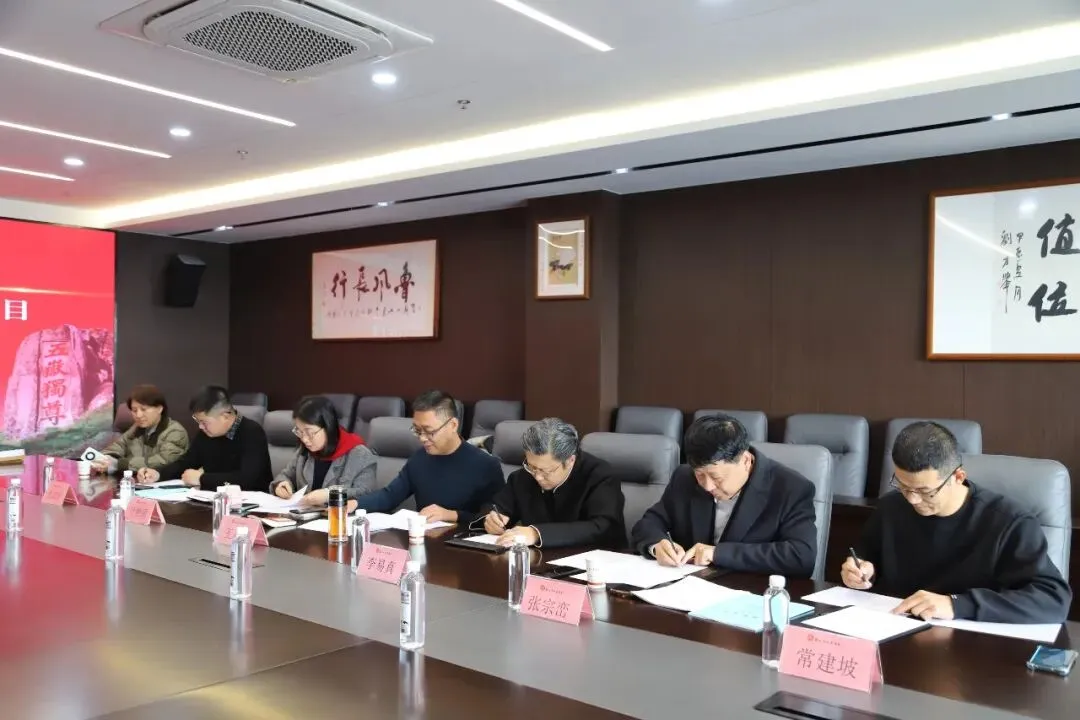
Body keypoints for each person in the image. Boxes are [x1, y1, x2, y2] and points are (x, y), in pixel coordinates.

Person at [842, 421, 1071, 623]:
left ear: (958, 477)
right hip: (892, 627)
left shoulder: (1008, 522)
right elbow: (867, 558)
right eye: (902, 485)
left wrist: (956, 604)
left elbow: (1053, 599)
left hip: (970, 642)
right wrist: (862, 572)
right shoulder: (891, 507)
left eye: (925, 491)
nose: (912, 499)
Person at [631, 414, 817, 577]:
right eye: (700, 474)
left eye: (716, 477)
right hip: (690, 588)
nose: (707, 486)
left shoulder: (791, 488)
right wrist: (657, 545)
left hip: (751, 592)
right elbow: (648, 523)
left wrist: (718, 554)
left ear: (745, 460)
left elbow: (801, 556)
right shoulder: (684, 477)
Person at [464, 418, 625, 548]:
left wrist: (536, 533)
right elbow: (496, 506)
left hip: (591, 563)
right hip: (539, 562)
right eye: (531, 466)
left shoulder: (600, 476)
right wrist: (491, 520)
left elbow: (603, 527)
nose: (537, 477)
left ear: (570, 460)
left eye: (546, 471)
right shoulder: (524, 476)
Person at [351, 390, 503, 522]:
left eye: (429, 432)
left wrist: (453, 515)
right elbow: (389, 496)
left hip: (465, 541)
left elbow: (497, 518)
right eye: (417, 431)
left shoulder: (486, 466)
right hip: (423, 539)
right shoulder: (419, 459)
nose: (422, 438)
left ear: (453, 425)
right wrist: (354, 504)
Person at [137, 386, 272, 491]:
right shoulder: (207, 433)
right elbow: (186, 462)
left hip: (252, 504)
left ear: (225, 416)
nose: (201, 427)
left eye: (204, 422)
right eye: (198, 421)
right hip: (212, 499)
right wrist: (158, 474)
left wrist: (202, 479)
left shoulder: (252, 432)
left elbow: (247, 479)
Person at [269, 395, 377, 506]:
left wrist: (329, 495)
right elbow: (286, 475)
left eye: (310, 433)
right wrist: (281, 485)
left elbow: (365, 494)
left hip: (339, 515)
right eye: (299, 432)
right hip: (304, 514)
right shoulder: (304, 451)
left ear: (328, 427)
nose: (304, 439)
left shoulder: (360, 455)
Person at [93, 384, 189, 473]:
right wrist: (106, 459)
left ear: (159, 409)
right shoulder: (137, 427)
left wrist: (120, 464)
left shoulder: (175, 432)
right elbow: (119, 445)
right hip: (136, 480)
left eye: (144, 409)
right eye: (134, 410)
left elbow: (163, 461)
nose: (138, 415)